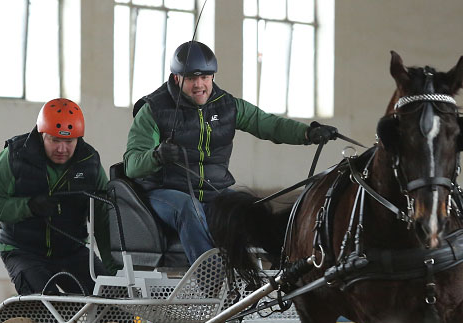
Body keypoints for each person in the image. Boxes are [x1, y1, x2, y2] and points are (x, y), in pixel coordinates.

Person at [124, 41, 339, 264]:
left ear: (213, 77)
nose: (199, 85)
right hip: (164, 192)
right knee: (190, 208)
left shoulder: (227, 106)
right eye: (191, 79)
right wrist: (158, 156)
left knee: (251, 208)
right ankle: (209, 276)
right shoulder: (153, 110)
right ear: (177, 78)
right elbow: (132, 165)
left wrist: (307, 133)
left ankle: (277, 271)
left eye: (205, 77)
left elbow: (268, 124)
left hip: (214, 191)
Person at [0, 98, 117, 295]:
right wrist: (28, 206)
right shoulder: (15, 156)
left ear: (78, 138)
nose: (62, 149)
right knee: (48, 307)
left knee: (111, 298)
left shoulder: (90, 163)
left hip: (72, 251)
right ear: (42, 134)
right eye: (54, 140)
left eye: (69, 141)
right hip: (23, 251)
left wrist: (114, 273)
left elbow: (103, 219)